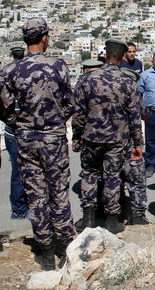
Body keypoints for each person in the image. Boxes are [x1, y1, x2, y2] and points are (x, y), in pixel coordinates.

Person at [0, 18, 76, 270]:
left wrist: (19, 123)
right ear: (44, 37)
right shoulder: (58, 66)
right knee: (59, 193)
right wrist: (56, 121)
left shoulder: (11, 70)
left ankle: (45, 250)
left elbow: (4, 106)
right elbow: (70, 102)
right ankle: (65, 246)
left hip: (26, 139)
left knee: (36, 194)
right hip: (53, 138)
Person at [72, 39, 144, 234]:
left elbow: (78, 112)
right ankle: (112, 220)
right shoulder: (127, 83)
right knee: (112, 177)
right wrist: (137, 143)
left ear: (105, 56)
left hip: (91, 138)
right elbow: (134, 117)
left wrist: (76, 137)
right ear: (122, 58)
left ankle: (88, 217)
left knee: (89, 174)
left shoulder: (87, 80)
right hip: (116, 140)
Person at [119, 67, 150, 225]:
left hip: (112, 144)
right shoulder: (135, 94)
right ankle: (137, 216)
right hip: (132, 143)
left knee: (114, 179)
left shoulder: (109, 91)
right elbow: (145, 114)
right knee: (136, 180)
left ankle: (117, 213)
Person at [1, 46, 28, 220]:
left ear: (12, 56)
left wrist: (11, 122)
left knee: (17, 170)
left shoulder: (5, 73)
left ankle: (18, 209)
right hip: (26, 129)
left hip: (13, 130)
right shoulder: (29, 73)